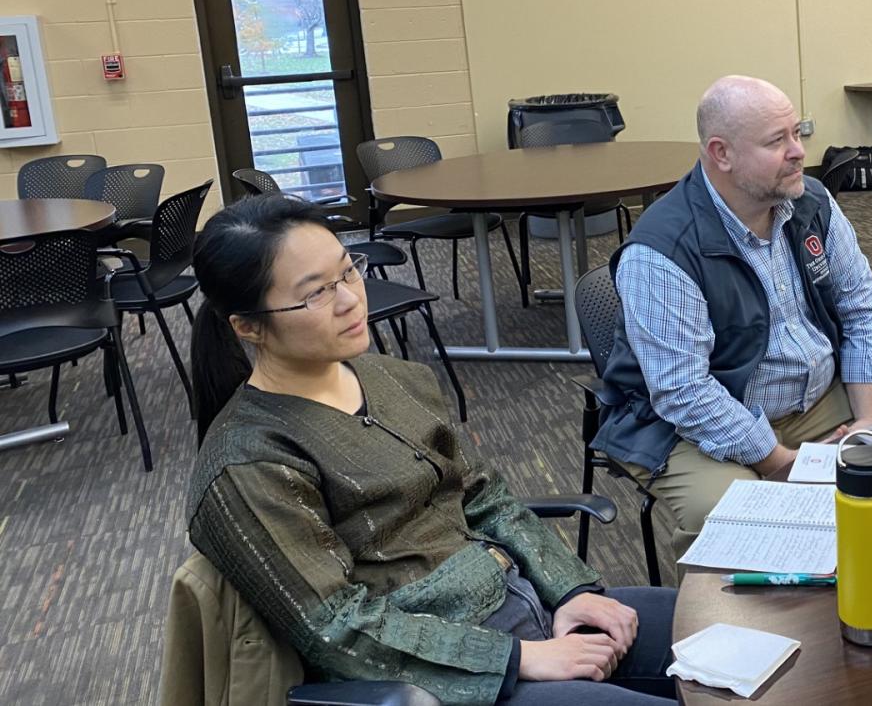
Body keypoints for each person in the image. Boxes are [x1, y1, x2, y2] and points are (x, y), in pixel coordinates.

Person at [184, 194, 675, 706]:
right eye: (315, 294)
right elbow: (334, 628)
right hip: (442, 680)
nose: (352, 298)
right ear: (248, 326)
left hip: (521, 601)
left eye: (348, 271)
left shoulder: (393, 379)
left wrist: (568, 590)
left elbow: (484, 497)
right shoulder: (249, 462)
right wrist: (518, 659)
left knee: (727, 646)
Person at [596, 75, 872, 559]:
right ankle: (733, 631)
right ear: (722, 153)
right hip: (687, 427)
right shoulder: (664, 250)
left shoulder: (812, 203)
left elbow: (863, 310)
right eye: (777, 141)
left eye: (797, 133)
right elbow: (683, 391)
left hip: (821, 399)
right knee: (737, 521)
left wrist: (868, 421)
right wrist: (776, 461)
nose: (798, 151)